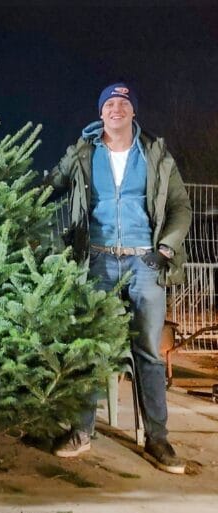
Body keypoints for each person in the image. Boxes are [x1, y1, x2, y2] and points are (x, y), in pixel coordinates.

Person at [47, 82, 192, 474]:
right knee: (90, 345)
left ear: (132, 113)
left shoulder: (156, 155)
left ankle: (157, 439)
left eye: (122, 104)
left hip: (144, 262)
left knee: (147, 349)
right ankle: (81, 431)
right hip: (97, 261)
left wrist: (165, 247)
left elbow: (180, 206)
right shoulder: (84, 153)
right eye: (109, 103)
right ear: (100, 113)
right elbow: (54, 184)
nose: (116, 109)